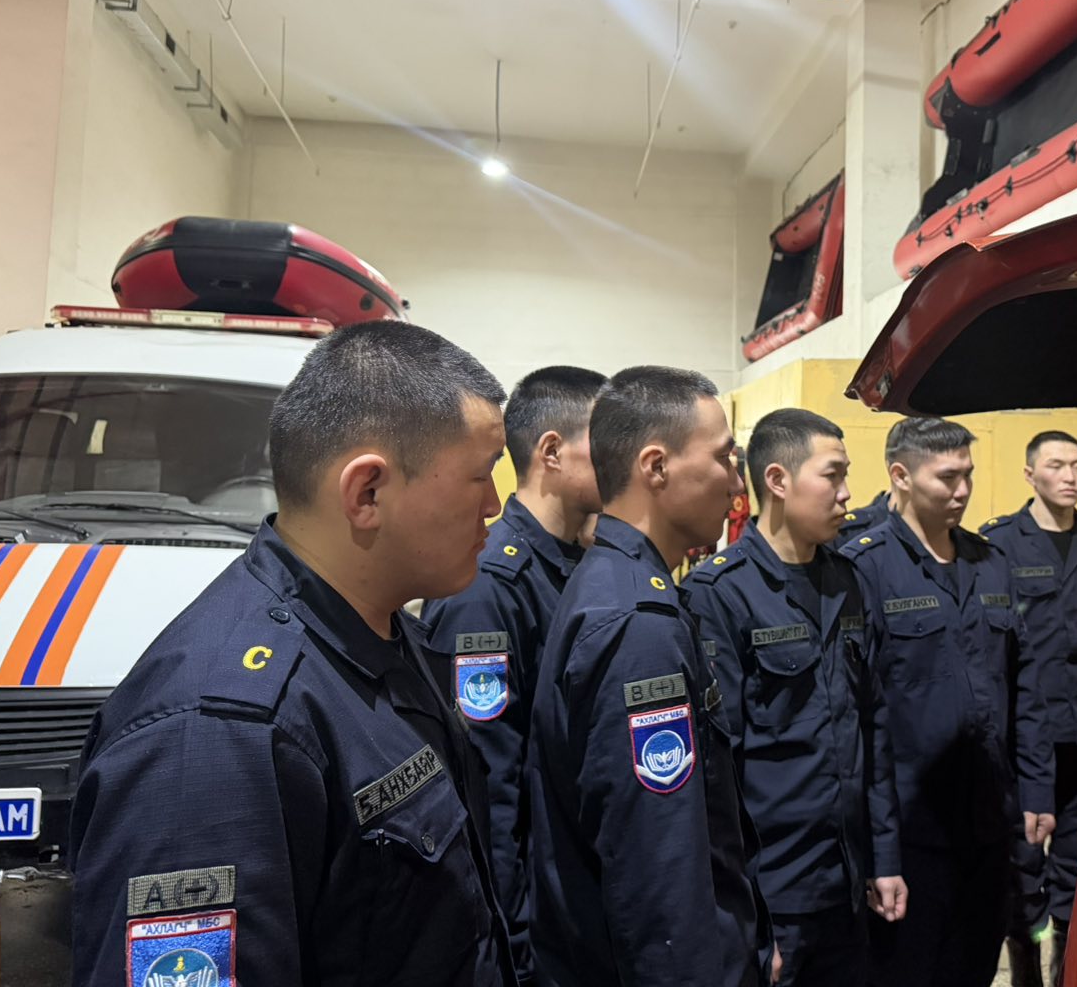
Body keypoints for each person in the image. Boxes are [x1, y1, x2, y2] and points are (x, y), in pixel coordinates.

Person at [69, 321, 516, 987]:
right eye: (479, 477)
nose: (494, 505)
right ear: (367, 493)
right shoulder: (220, 736)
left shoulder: (386, 639)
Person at [527, 366, 773, 987]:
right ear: (656, 467)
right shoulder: (637, 623)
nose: (736, 482)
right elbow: (658, 876)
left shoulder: (618, 583)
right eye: (723, 458)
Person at [685, 409, 906, 986]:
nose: (847, 492)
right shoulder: (720, 593)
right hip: (774, 892)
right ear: (778, 480)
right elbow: (718, 771)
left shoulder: (847, 579)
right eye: (832, 475)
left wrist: (884, 857)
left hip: (847, 882)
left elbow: (873, 727)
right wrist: (746, 916)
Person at [841, 417, 1053, 987]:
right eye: (947, 477)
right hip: (912, 828)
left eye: (968, 475)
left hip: (989, 819)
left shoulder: (990, 562)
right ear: (901, 476)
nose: (962, 491)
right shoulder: (864, 567)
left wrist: (1037, 788)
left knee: (974, 964)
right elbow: (858, 719)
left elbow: (1025, 686)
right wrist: (879, 850)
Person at [421, 365, 607, 985]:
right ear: (551, 452)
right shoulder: (490, 588)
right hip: (531, 930)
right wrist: (513, 945)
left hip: (575, 908)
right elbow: (487, 787)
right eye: (604, 442)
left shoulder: (580, 569)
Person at [980, 431, 1077, 985]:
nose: (1069, 476)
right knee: (1023, 866)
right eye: (1055, 466)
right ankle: (1026, 970)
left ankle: (1066, 969)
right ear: (1030, 475)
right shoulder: (999, 543)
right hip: (1027, 739)